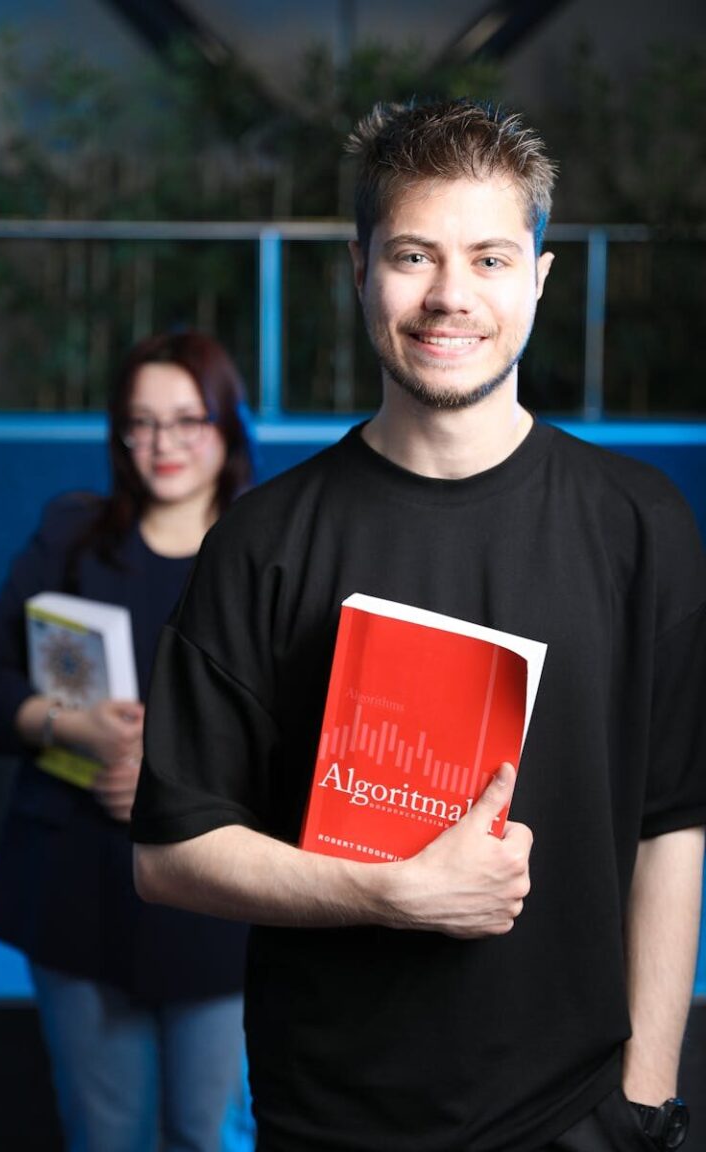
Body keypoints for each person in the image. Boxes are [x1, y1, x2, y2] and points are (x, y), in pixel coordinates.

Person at [130, 100, 706, 1152]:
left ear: (540, 274)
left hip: (580, 1117)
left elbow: (672, 822)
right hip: (331, 1119)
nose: (450, 296)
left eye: (490, 257)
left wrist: (647, 1098)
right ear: (359, 270)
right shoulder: (264, 541)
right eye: (412, 254)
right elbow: (171, 853)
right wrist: (387, 893)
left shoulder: (642, 526)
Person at [0, 328, 256, 1152]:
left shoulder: (264, 553)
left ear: (228, 426)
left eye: (187, 420)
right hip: (75, 891)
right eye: (141, 422)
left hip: (218, 904)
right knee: (104, 1137)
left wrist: (170, 777)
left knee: (210, 1136)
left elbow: (303, 732)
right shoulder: (72, 534)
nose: (163, 444)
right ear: (119, 432)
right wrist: (65, 726)